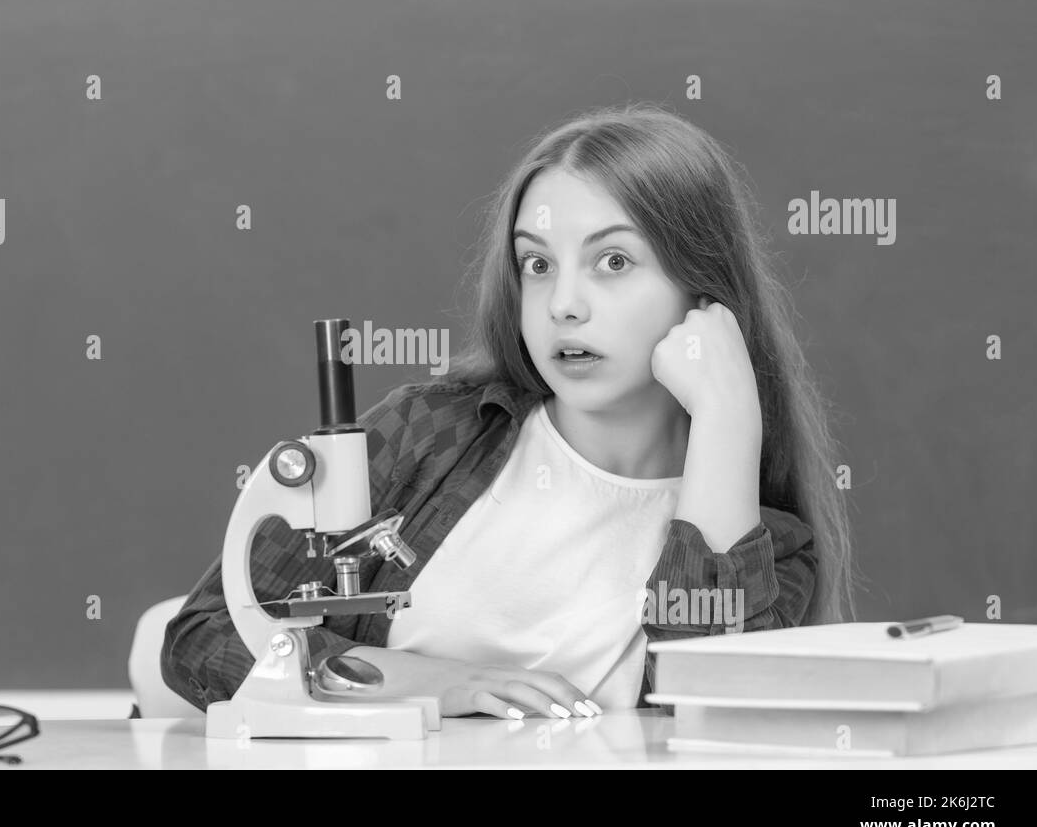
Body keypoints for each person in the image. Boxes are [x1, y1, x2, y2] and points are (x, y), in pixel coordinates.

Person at [163, 102, 858, 719]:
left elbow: (710, 710)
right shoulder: (432, 432)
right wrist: (436, 685)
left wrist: (729, 421)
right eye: (538, 264)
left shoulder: (769, 549)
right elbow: (204, 636)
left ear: (702, 291)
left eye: (613, 262)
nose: (564, 304)